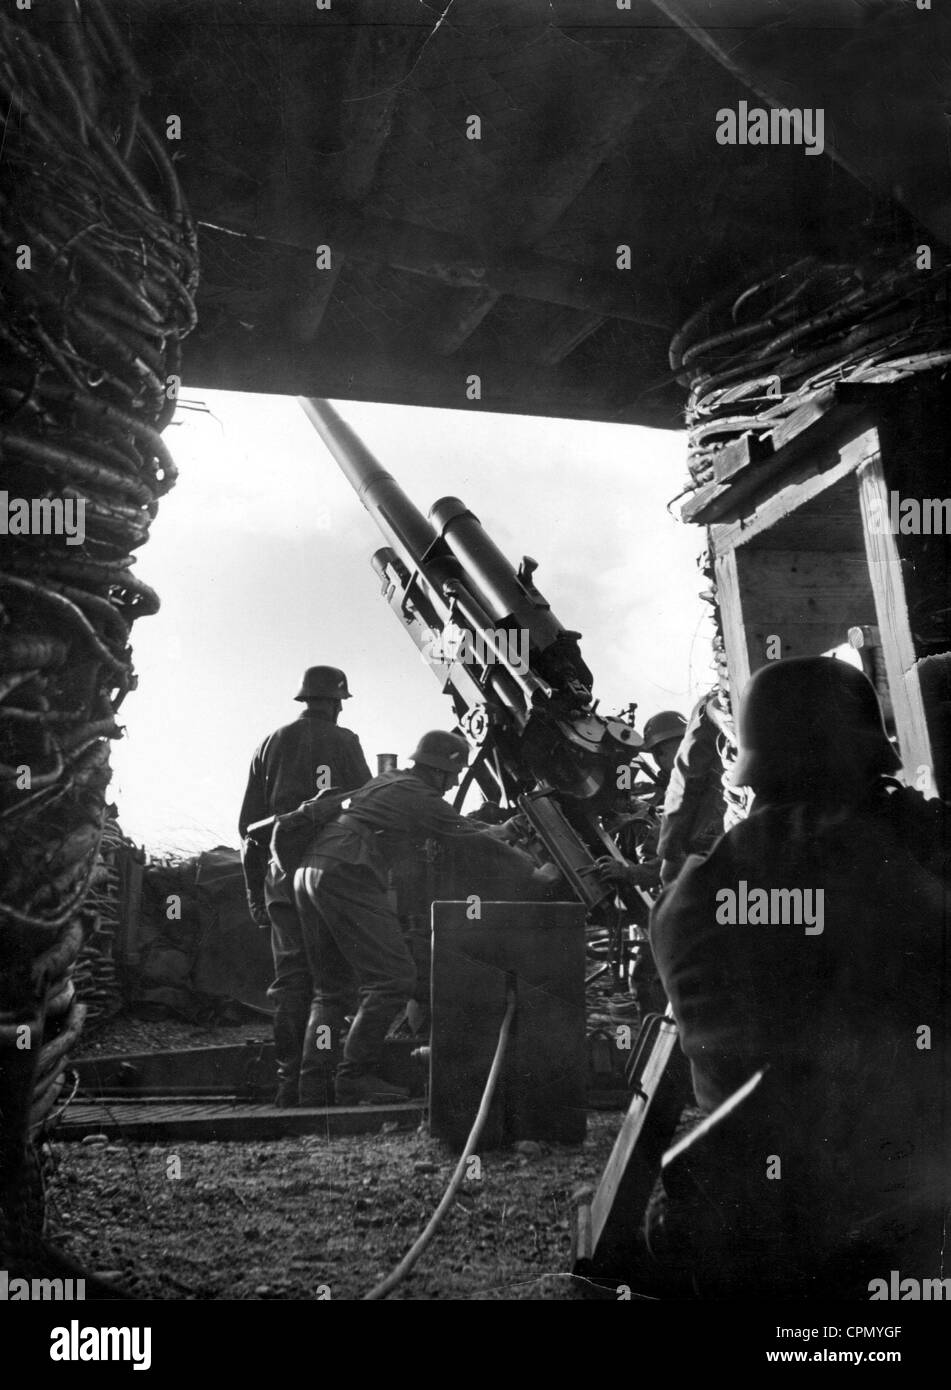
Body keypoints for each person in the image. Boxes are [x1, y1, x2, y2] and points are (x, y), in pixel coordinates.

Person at [647, 657, 950, 1297]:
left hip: (745, 1226)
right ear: (870, 760)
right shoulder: (910, 863)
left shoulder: (693, 893)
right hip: (902, 1228)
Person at [293, 730, 557, 1105]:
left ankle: (313, 1084)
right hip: (349, 870)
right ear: (439, 771)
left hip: (313, 868)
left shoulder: (393, 782)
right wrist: (534, 873)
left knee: (330, 990)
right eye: (453, 776)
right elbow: (470, 841)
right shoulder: (422, 797)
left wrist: (504, 830)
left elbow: (459, 828)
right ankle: (354, 1077)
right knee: (393, 979)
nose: (452, 785)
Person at [238, 666, 371, 1106]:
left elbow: (248, 829)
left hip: (278, 873)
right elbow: (366, 808)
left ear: (304, 699)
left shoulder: (269, 744)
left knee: (291, 982)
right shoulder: (345, 741)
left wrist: (256, 893)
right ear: (336, 702)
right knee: (331, 983)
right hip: (328, 873)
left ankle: (286, 1082)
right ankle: (319, 1080)